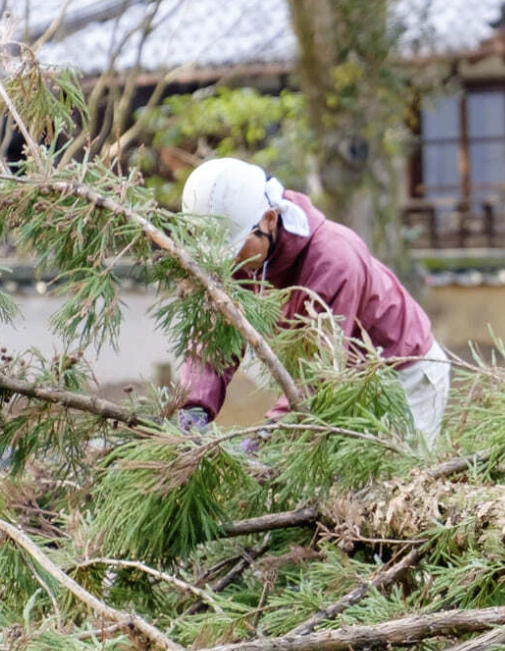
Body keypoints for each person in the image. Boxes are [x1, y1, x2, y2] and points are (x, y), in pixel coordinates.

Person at [173, 157, 449, 443]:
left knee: (391, 479)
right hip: (341, 377)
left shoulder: (333, 261)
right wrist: (194, 407)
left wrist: (265, 438)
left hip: (403, 373)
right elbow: (216, 338)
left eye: (236, 247)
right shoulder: (245, 254)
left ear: (269, 219)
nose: (231, 260)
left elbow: (317, 376)